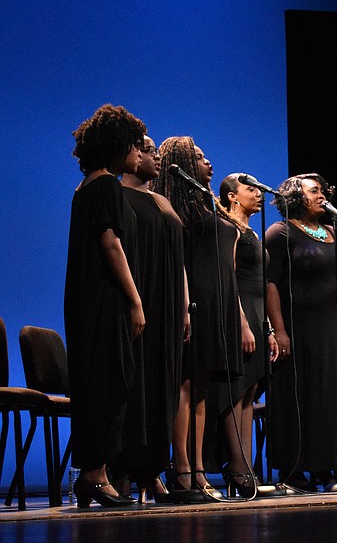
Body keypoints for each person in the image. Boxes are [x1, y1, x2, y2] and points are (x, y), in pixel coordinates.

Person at [151, 137, 242, 498]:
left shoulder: (206, 203)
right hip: (194, 303)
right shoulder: (175, 207)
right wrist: (185, 303)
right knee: (186, 385)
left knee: (202, 387)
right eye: (200, 158)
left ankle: (199, 468)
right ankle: (181, 467)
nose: (209, 163)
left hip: (218, 301)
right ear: (184, 162)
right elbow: (179, 260)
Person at [65, 103, 146, 507]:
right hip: (104, 299)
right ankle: (95, 475)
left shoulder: (84, 188)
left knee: (98, 381)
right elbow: (111, 244)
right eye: (132, 146)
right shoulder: (107, 187)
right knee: (110, 382)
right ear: (117, 146)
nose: (137, 154)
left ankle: (91, 475)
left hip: (85, 300)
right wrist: (135, 301)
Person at [265, 173, 337, 491]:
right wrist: (279, 330)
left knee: (328, 398)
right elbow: (270, 283)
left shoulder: (335, 232)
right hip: (298, 328)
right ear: (295, 198)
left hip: (332, 331)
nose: (322, 196)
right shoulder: (280, 233)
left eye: (323, 190)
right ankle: (294, 469)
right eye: (314, 191)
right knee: (300, 396)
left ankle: (325, 467)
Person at [110, 134, 189, 503]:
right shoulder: (116, 195)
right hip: (139, 299)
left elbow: (178, 257)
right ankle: (124, 470)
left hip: (167, 303)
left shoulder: (161, 200)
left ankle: (152, 470)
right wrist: (133, 301)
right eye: (147, 150)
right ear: (130, 154)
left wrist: (184, 303)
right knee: (136, 384)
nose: (155, 156)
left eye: (156, 150)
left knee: (162, 384)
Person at [203, 174, 281, 498]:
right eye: (251, 189)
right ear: (232, 196)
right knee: (235, 392)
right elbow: (228, 277)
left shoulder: (253, 232)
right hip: (240, 313)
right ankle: (237, 467)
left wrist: (269, 328)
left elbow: (260, 283)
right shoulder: (230, 228)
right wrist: (243, 323)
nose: (258, 194)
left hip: (256, 314)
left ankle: (245, 466)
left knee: (248, 393)